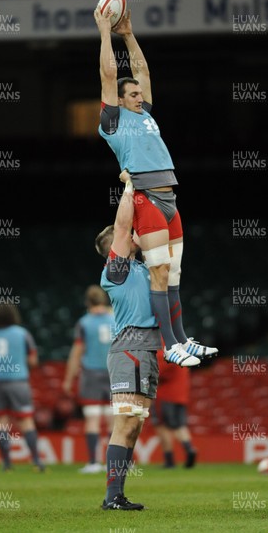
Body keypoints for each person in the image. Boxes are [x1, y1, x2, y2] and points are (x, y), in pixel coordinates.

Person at [94, 5, 218, 367]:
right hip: (146, 198)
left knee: (174, 273)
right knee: (159, 270)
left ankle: (181, 338)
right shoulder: (113, 122)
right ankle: (169, 345)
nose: (138, 95)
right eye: (131, 93)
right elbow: (108, 72)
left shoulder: (144, 114)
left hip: (169, 197)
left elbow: (142, 70)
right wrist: (105, 31)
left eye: (137, 93)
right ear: (118, 100)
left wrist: (128, 33)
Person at [95, 174, 163, 510]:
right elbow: (122, 228)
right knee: (126, 422)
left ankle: (117, 495)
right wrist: (129, 188)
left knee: (135, 424)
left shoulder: (138, 268)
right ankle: (111, 498)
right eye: (125, 234)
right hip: (131, 349)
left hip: (145, 349)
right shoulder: (116, 270)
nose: (131, 233)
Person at [0, 304, 45, 471]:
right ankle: (36, 461)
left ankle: (6, 463)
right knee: (26, 420)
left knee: (1, 423)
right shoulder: (22, 334)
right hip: (18, 382)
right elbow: (34, 361)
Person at [62, 284, 114, 474]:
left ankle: (93, 463)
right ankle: (115, 463)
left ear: (87, 302)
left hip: (91, 374)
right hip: (113, 373)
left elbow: (77, 353)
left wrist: (68, 379)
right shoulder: (115, 318)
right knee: (113, 419)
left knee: (92, 418)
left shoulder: (84, 323)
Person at [151, 349, 197, 469]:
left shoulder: (163, 351)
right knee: (180, 425)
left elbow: (156, 372)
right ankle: (189, 448)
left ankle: (169, 460)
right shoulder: (181, 350)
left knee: (162, 426)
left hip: (165, 395)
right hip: (181, 395)